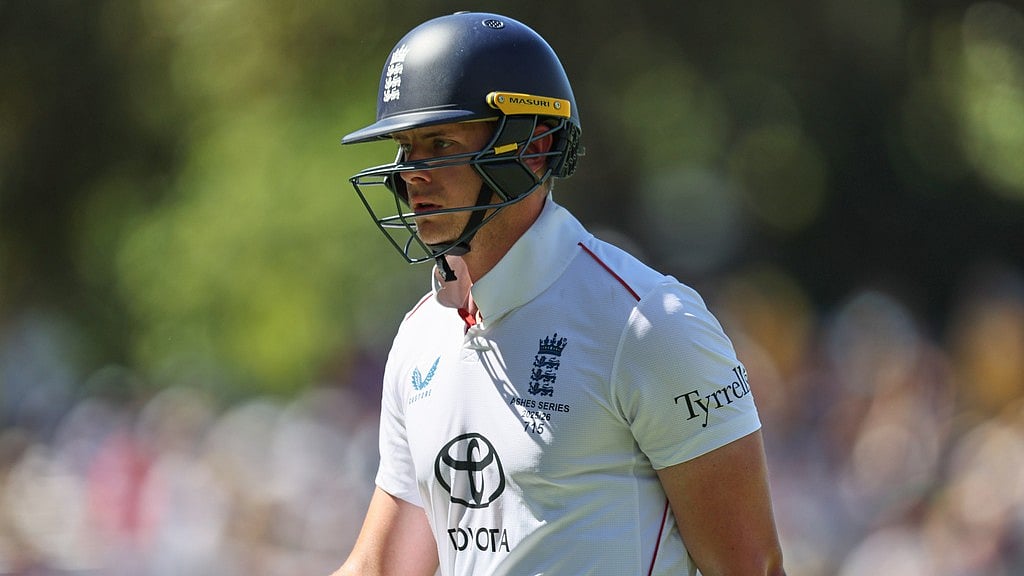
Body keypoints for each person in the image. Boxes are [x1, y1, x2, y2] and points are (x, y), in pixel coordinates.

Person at [332, 11, 786, 576]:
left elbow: (751, 567)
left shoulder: (649, 324)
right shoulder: (420, 337)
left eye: (440, 142)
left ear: (534, 147)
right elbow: (383, 567)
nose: (411, 174)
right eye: (406, 147)